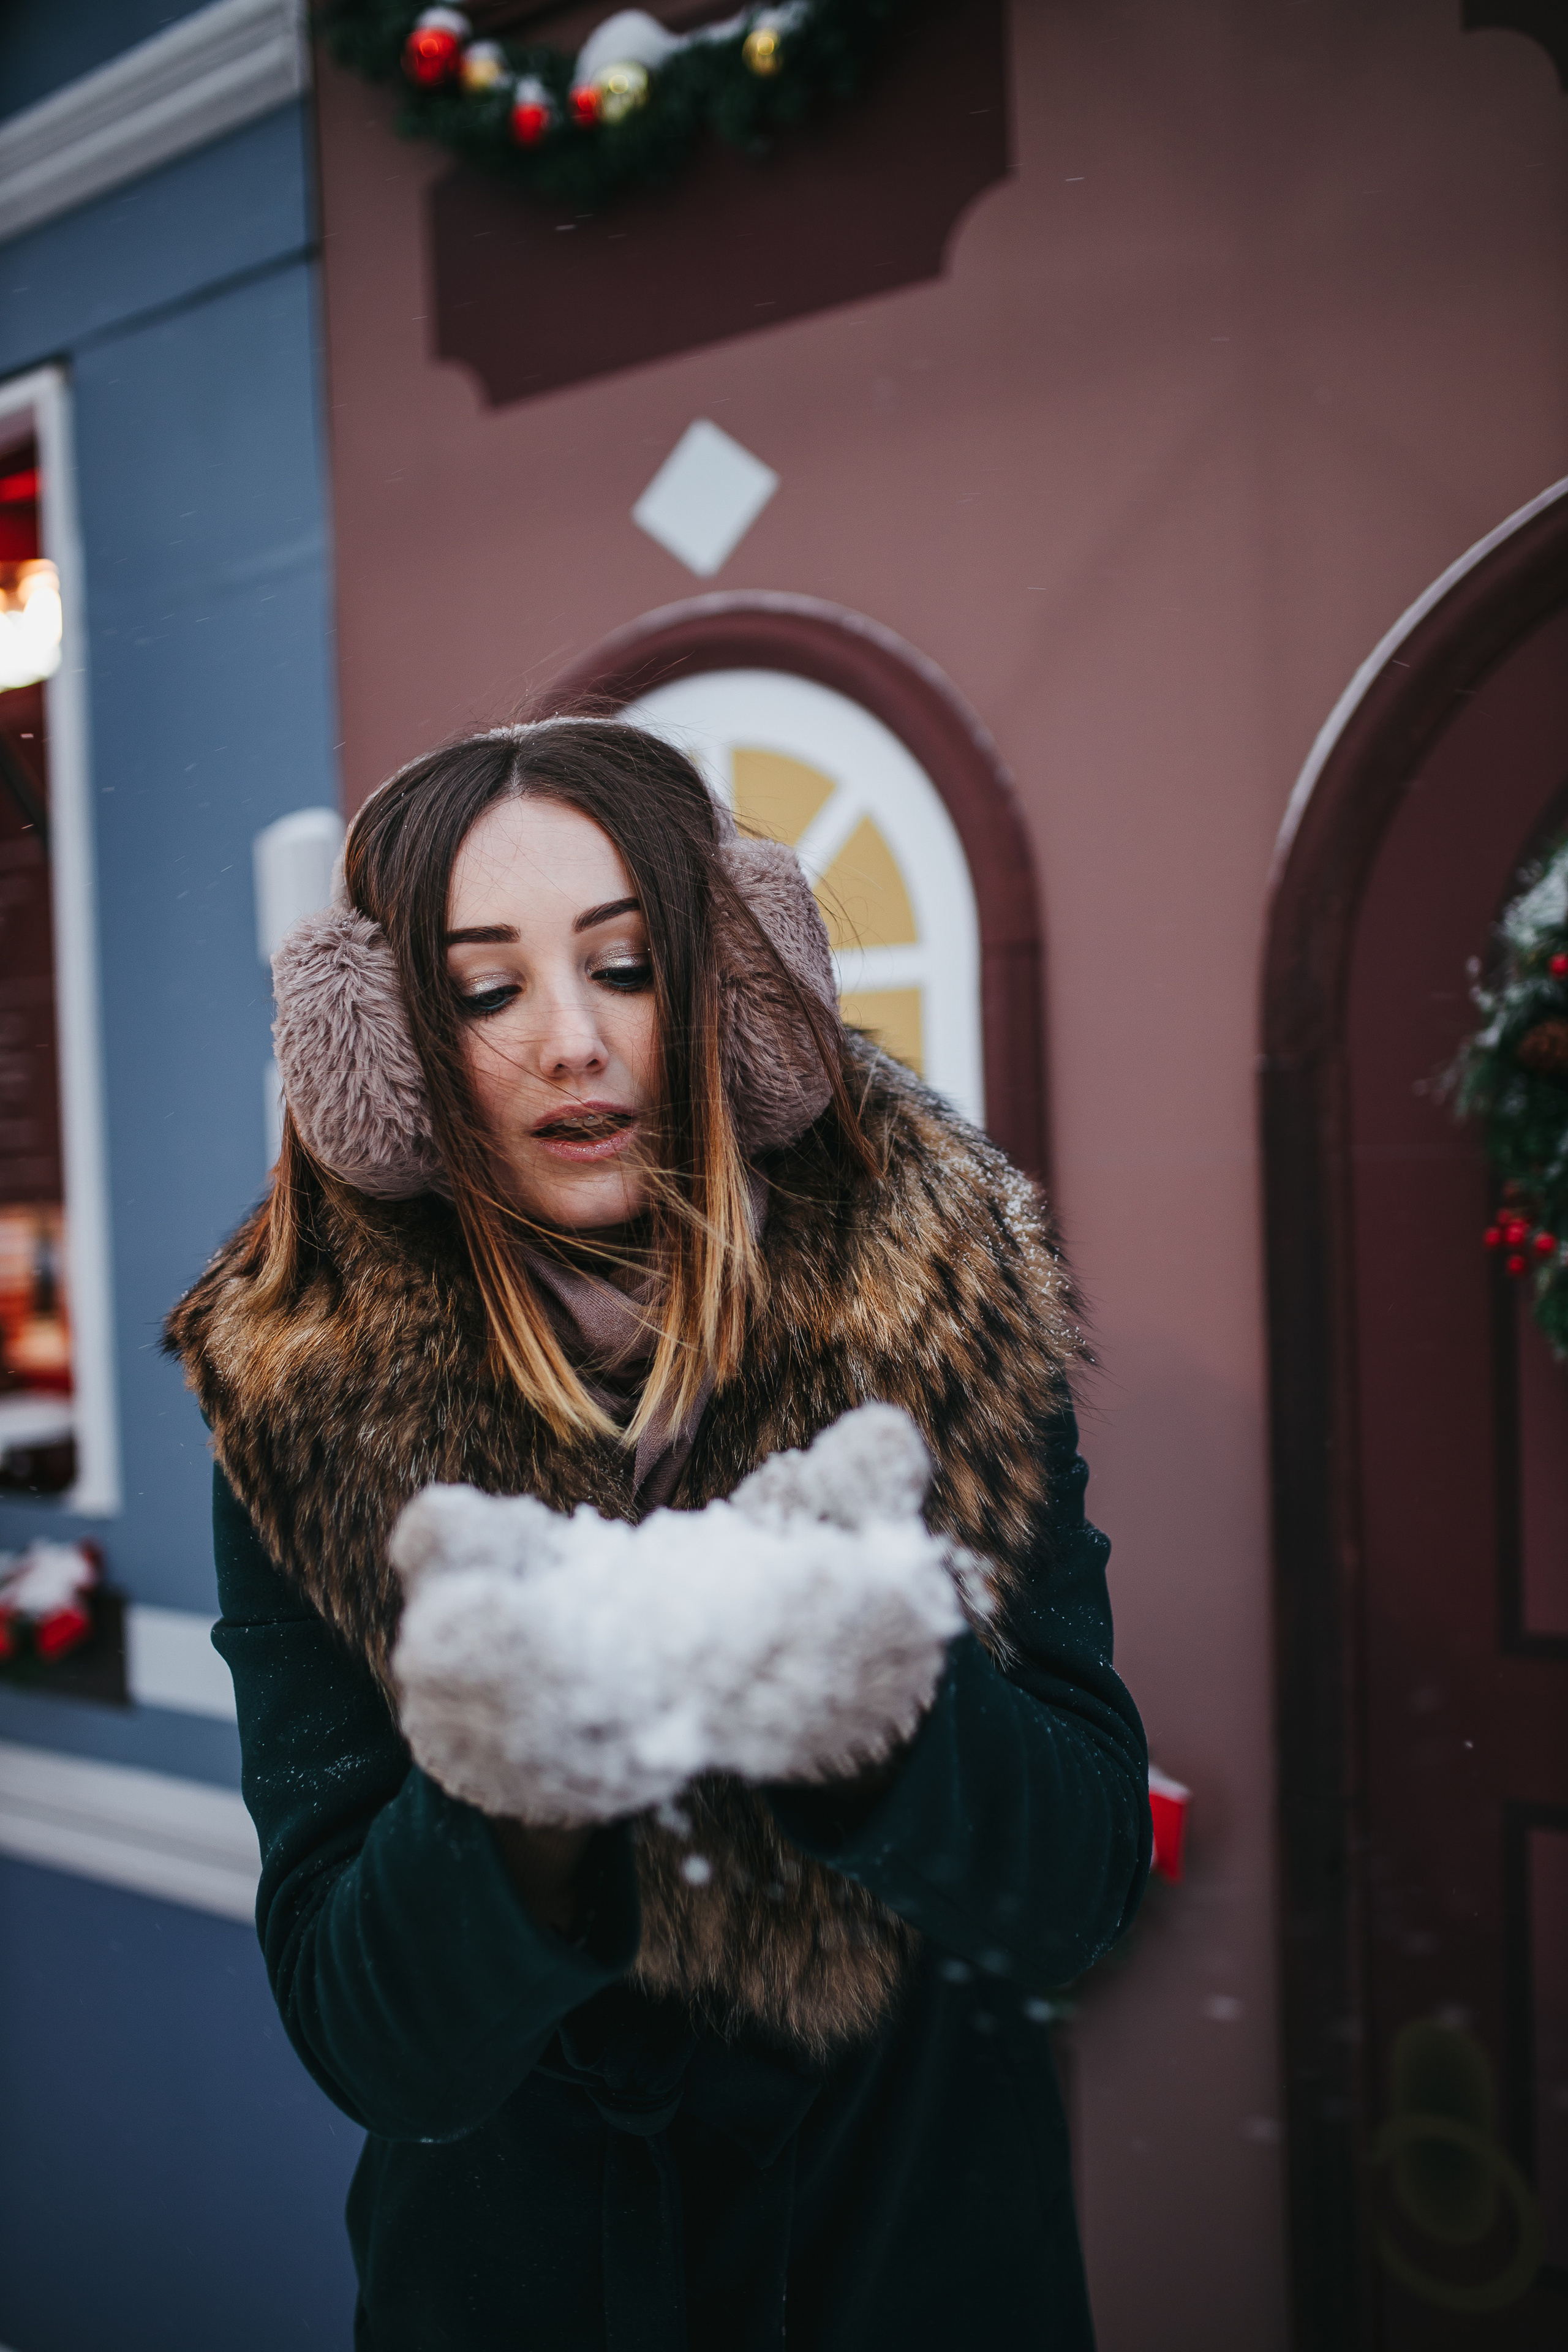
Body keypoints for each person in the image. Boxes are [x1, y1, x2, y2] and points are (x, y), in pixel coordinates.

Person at [166, 717, 1150, 2352]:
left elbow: (1078, 1888)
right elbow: (369, 2038)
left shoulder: (940, 1327)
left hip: (914, 2259)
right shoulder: (303, 1401)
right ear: (390, 1049)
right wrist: (514, 1805)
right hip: (517, 2291)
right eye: (485, 990)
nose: (570, 1041)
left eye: (623, 965)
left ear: (733, 994)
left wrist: (880, 1725)